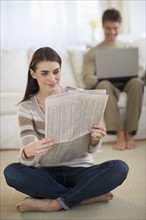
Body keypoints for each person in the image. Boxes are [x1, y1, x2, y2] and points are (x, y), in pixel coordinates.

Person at [4, 47, 129, 213]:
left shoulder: (79, 96)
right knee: (12, 172)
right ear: (33, 74)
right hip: (48, 174)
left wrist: (95, 139)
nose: (52, 78)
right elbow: (28, 159)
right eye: (44, 73)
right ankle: (84, 197)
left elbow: (91, 148)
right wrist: (28, 152)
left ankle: (54, 203)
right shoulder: (26, 108)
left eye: (56, 71)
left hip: (81, 171)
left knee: (119, 167)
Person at [82, 8, 145, 150]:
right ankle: (119, 133)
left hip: (128, 82)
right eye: (108, 28)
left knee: (137, 82)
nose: (112, 32)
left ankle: (130, 132)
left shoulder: (128, 48)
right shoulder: (93, 52)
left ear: (120, 26)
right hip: (108, 85)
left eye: (115, 28)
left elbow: (141, 69)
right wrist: (102, 76)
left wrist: (133, 72)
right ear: (103, 27)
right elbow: (87, 77)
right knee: (103, 84)